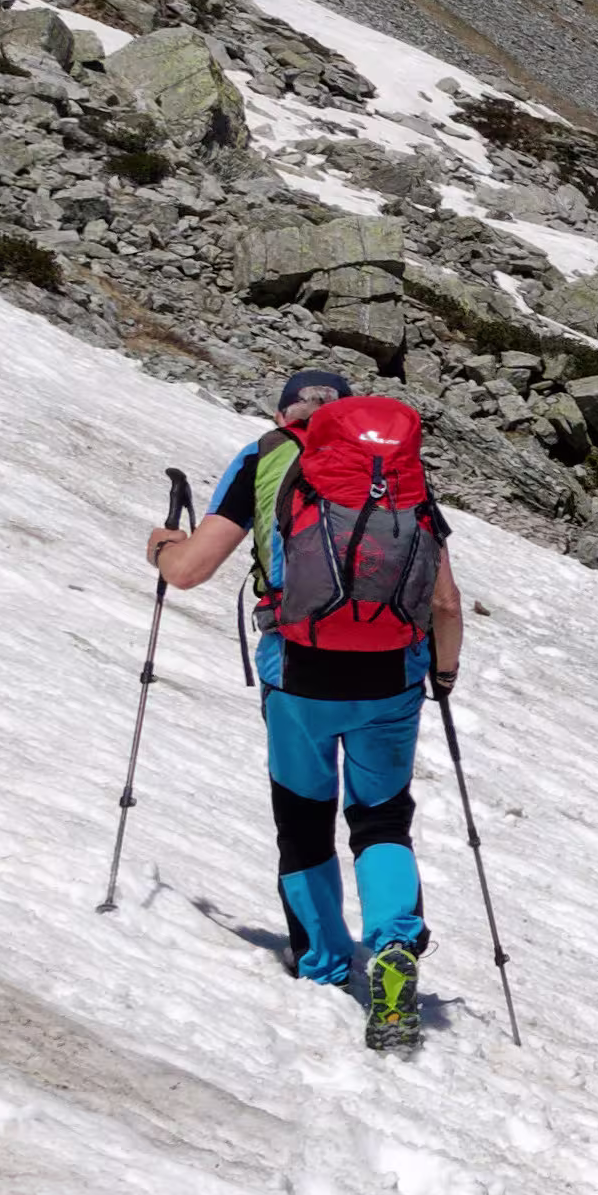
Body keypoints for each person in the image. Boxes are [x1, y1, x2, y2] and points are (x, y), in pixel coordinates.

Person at [145, 365, 462, 1045]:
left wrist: (164, 549)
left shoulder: (264, 457)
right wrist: (444, 673)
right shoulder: (395, 470)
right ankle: (394, 946)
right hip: (392, 676)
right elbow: (444, 601)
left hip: (298, 673)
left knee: (304, 818)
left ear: (284, 411)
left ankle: (322, 962)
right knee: (382, 818)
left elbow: (191, 570)